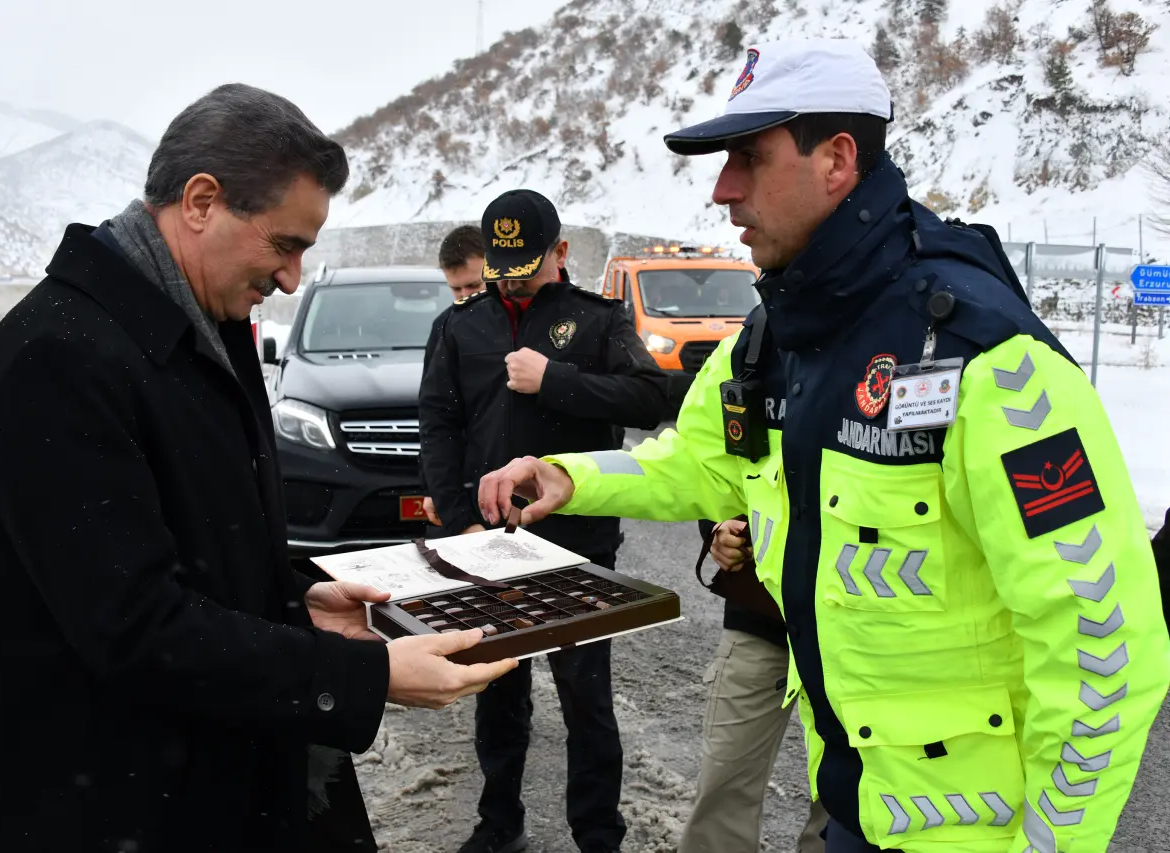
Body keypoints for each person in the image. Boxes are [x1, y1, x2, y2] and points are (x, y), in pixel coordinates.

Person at [475, 38, 1170, 853]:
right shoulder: (776, 335)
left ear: (837, 159)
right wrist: (567, 474)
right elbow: (699, 459)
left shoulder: (989, 361)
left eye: (747, 157)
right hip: (855, 811)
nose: (722, 190)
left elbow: (1103, 642)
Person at [0, 82, 516, 853]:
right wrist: (364, 677)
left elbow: (191, 538)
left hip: (207, 787)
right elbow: (134, 624)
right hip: (116, 811)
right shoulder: (58, 357)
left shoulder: (197, 327)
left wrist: (296, 596)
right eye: (284, 244)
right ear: (200, 201)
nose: (291, 278)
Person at [418, 188, 669, 853]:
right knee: (496, 693)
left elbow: (651, 397)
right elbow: (439, 424)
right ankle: (498, 823)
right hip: (488, 542)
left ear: (560, 251)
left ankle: (597, 835)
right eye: (503, 266)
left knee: (587, 699)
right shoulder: (459, 326)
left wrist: (555, 378)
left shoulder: (598, 320)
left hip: (576, 540)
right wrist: (458, 519)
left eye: (526, 264)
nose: (512, 280)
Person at [681, 516, 827, 853]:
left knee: (845, 796)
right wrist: (718, 529)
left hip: (862, 631)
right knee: (725, 780)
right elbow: (713, 473)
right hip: (762, 617)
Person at [422, 224, 487, 528]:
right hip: (468, 492)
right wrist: (436, 488)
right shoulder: (445, 328)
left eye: (474, 287)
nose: (464, 298)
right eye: (456, 290)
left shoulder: (520, 326)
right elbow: (436, 418)